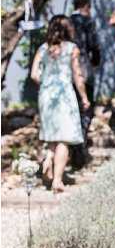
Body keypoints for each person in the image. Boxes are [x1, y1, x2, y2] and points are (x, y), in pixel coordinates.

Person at [31, 15, 90, 193]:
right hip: (65, 94)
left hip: (46, 94)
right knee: (64, 138)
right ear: (68, 29)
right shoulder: (72, 49)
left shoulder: (43, 49)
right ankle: (57, 181)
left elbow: (34, 74)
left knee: (52, 135)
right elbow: (77, 76)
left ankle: (48, 158)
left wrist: (47, 82)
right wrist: (85, 98)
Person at [70, 0, 100, 168]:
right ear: (86, 6)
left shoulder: (66, 21)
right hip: (83, 68)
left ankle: (75, 147)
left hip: (67, 71)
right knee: (87, 107)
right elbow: (94, 45)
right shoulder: (87, 22)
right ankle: (80, 145)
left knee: (73, 108)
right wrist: (95, 62)